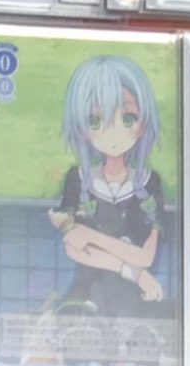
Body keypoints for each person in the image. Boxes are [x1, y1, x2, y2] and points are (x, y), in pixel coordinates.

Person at [49, 54, 166, 317]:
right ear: (82, 128)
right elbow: (73, 248)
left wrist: (90, 235)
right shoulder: (78, 178)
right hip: (87, 293)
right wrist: (135, 273)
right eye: (96, 121)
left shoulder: (149, 182)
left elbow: (145, 256)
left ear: (142, 124)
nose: (113, 134)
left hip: (134, 298)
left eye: (127, 119)